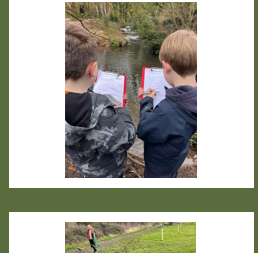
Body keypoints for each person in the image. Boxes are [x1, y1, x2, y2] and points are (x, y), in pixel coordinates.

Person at [65, 23, 136, 178]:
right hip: (107, 172)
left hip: (83, 165)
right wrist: (120, 110)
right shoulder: (103, 115)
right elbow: (127, 138)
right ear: (93, 69)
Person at [137, 30, 198, 178]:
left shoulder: (168, 110)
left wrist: (146, 101)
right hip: (175, 158)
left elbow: (144, 130)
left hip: (158, 166)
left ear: (166, 66)